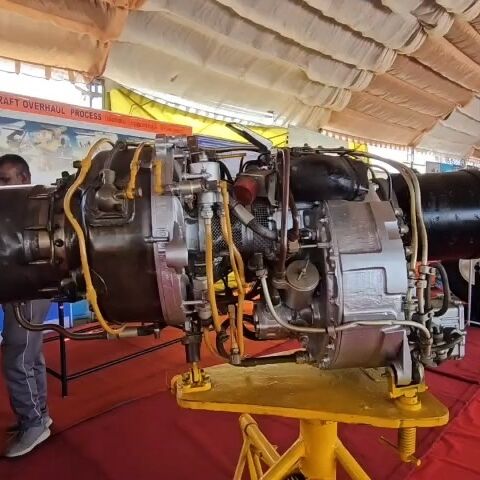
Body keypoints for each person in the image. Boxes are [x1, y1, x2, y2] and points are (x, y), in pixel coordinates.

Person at [0, 154, 52, 457]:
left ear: (24, 177)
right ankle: (38, 415)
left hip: (29, 289)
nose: (1, 186)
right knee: (30, 356)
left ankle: (33, 424)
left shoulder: (34, 206)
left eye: (5, 180)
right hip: (19, 288)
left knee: (18, 359)